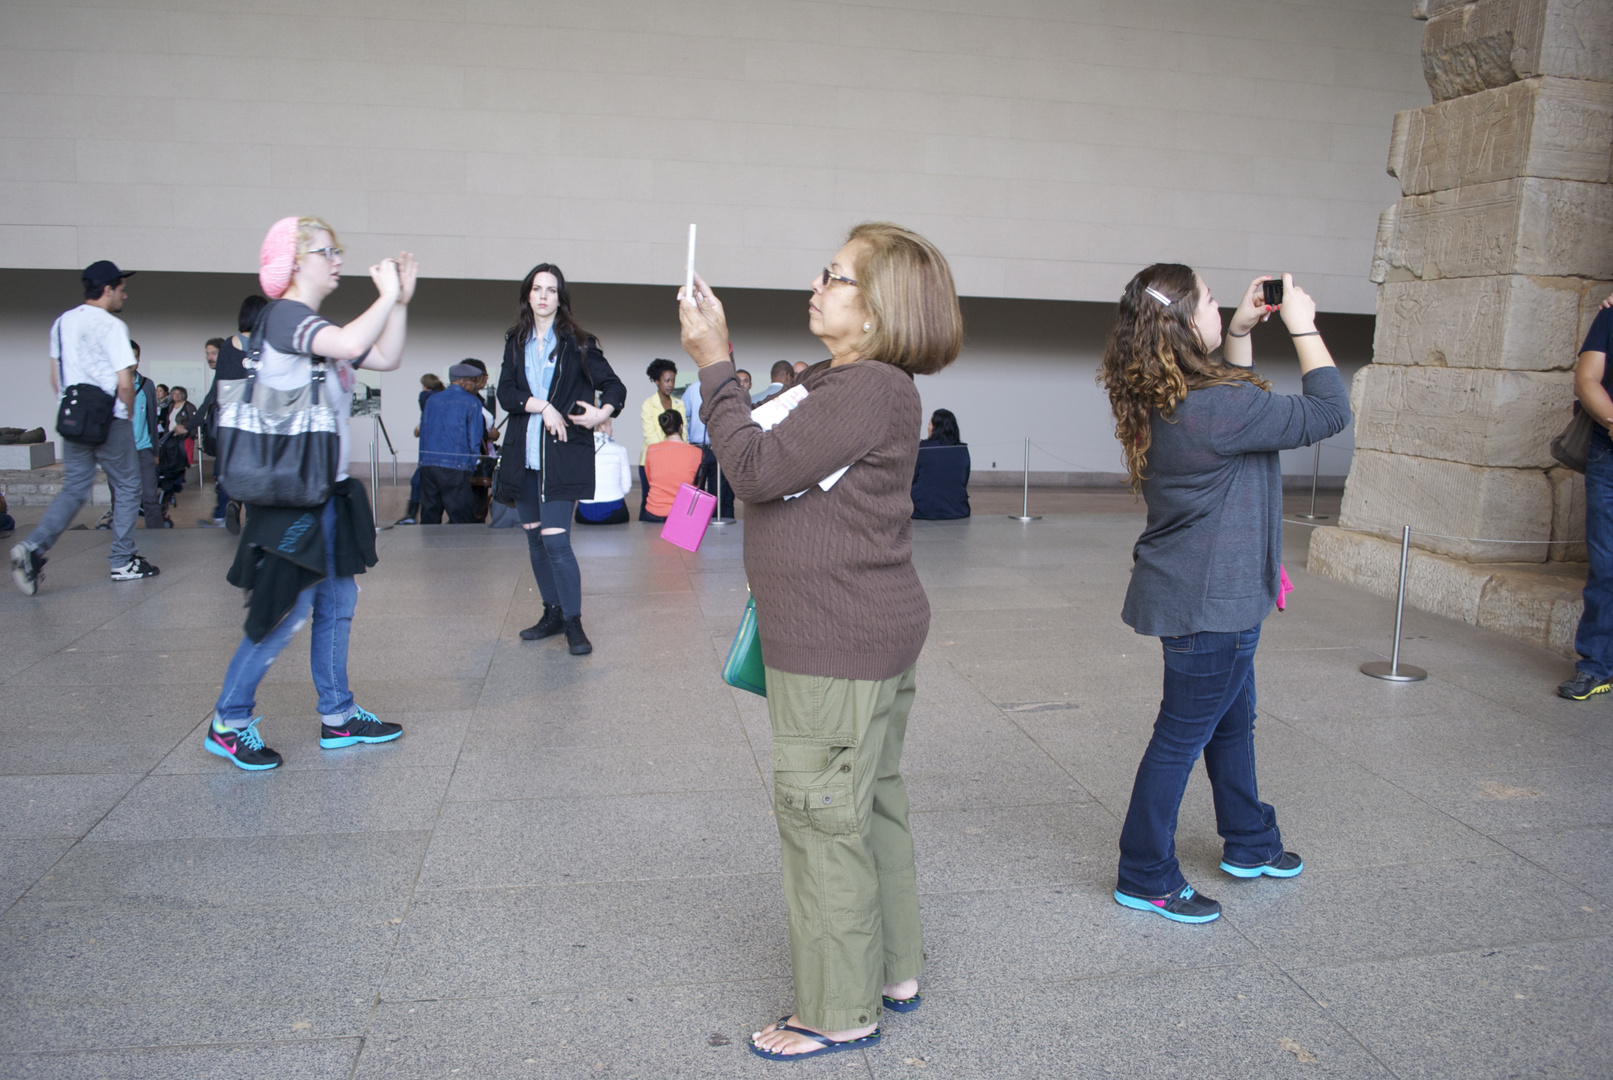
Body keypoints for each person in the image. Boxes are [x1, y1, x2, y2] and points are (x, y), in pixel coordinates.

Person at [679, 222, 963, 1060]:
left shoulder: (870, 388)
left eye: (837, 277)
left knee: (820, 814)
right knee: (869, 797)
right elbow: (770, 440)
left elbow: (756, 471)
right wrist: (724, 352)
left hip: (837, 638)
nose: (818, 283)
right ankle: (892, 968)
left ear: (878, 312)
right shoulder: (846, 380)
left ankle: (839, 1009)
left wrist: (710, 362)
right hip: (862, 626)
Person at [1097, 265, 1350, 924]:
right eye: (1211, 301)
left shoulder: (1168, 392)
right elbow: (1328, 411)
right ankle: (1143, 871)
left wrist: (1238, 331)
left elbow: (1243, 396)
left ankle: (1249, 840)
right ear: (1182, 324)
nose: (1220, 306)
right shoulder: (1214, 406)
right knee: (1179, 739)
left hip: (1198, 594)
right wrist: (1301, 325)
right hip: (1212, 604)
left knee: (1231, 724)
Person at [203, 216, 416, 771]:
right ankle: (229, 720)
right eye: (329, 250)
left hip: (327, 493)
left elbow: (385, 357)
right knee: (283, 611)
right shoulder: (285, 317)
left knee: (338, 600)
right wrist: (386, 293)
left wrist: (399, 302)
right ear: (297, 261)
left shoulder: (314, 326)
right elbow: (350, 341)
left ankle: (339, 715)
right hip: (293, 498)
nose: (338, 258)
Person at [496, 262, 626, 656]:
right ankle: (551, 613)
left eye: (551, 290)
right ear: (527, 295)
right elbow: (505, 392)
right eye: (537, 288)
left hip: (563, 456)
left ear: (560, 298)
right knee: (535, 541)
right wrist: (542, 407)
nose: (543, 295)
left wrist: (603, 413)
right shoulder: (515, 341)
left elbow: (614, 386)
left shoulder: (579, 343)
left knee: (556, 541)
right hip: (524, 456)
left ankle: (573, 621)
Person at [11, 260, 159, 594]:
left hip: (73, 418)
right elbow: (125, 382)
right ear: (107, 289)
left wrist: (74, 413)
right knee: (127, 486)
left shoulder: (62, 323)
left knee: (75, 489)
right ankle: (123, 561)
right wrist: (125, 412)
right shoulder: (112, 326)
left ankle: (33, 547)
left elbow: (55, 377)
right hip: (111, 419)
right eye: (121, 288)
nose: (125, 293)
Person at [1560, 292, 1613, 699]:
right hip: (1609, 448)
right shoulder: (1610, 315)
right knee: (1608, 564)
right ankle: (1597, 665)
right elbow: (1586, 378)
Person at [198, 295, 265, 533]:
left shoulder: (228, 345)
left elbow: (220, 383)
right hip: (260, 416)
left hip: (233, 418)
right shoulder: (267, 345)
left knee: (237, 465)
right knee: (260, 466)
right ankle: (255, 518)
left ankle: (235, 501)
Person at [416, 362, 486, 524]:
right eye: (474, 381)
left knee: (429, 516)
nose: (477, 386)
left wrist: (422, 462)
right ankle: (461, 550)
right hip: (456, 465)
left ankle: (428, 548)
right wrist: (470, 465)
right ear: (462, 381)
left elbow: (424, 433)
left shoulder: (432, 400)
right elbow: (474, 438)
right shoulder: (472, 402)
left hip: (428, 464)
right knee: (461, 517)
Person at [680, 349, 735, 519]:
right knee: (697, 488)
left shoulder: (725, 389)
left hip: (719, 448)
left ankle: (716, 519)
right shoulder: (692, 389)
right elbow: (683, 414)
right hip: (697, 446)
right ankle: (696, 521)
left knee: (718, 490)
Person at [637, 358, 685, 516]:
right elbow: (650, 436)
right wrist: (669, 454)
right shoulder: (648, 404)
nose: (671, 384)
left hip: (676, 461)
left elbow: (683, 433)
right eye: (666, 380)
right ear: (657, 381)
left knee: (674, 500)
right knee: (649, 500)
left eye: (673, 380)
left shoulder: (679, 404)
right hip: (650, 462)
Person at [397, 372, 445, 525]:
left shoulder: (425, 396)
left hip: (429, 450)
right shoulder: (443, 397)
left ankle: (411, 515)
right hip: (441, 447)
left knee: (418, 481)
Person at [640, 410, 704, 522]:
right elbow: (698, 485)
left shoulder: (651, 450)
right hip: (683, 514)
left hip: (653, 512)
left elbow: (650, 480)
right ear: (681, 427)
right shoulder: (697, 453)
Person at [910, 408, 970, 520]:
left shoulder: (922, 448)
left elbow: (911, 478)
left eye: (929, 424)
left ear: (935, 428)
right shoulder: (962, 449)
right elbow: (964, 479)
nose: (928, 428)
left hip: (921, 508)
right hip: (957, 509)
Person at [575, 417, 632, 525]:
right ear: (602, 427)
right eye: (610, 425)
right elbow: (626, 486)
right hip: (616, 512)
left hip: (584, 514)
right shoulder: (620, 450)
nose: (612, 429)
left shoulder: (579, 450)